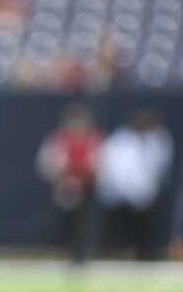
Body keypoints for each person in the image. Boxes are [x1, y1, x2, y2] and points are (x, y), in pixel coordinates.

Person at [96, 108, 174, 260]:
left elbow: (159, 167)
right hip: (120, 195)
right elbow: (114, 167)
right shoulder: (120, 139)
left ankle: (145, 254)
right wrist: (123, 190)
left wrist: (147, 192)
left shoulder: (158, 139)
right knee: (119, 229)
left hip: (146, 196)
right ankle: (117, 254)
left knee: (145, 229)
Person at [36, 103, 104, 263]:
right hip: (63, 188)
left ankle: (81, 253)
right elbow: (48, 164)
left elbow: (99, 165)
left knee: (84, 224)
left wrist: (80, 177)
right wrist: (65, 177)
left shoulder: (93, 139)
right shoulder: (58, 139)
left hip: (86, 189)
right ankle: (61, 251)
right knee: (64, 224)